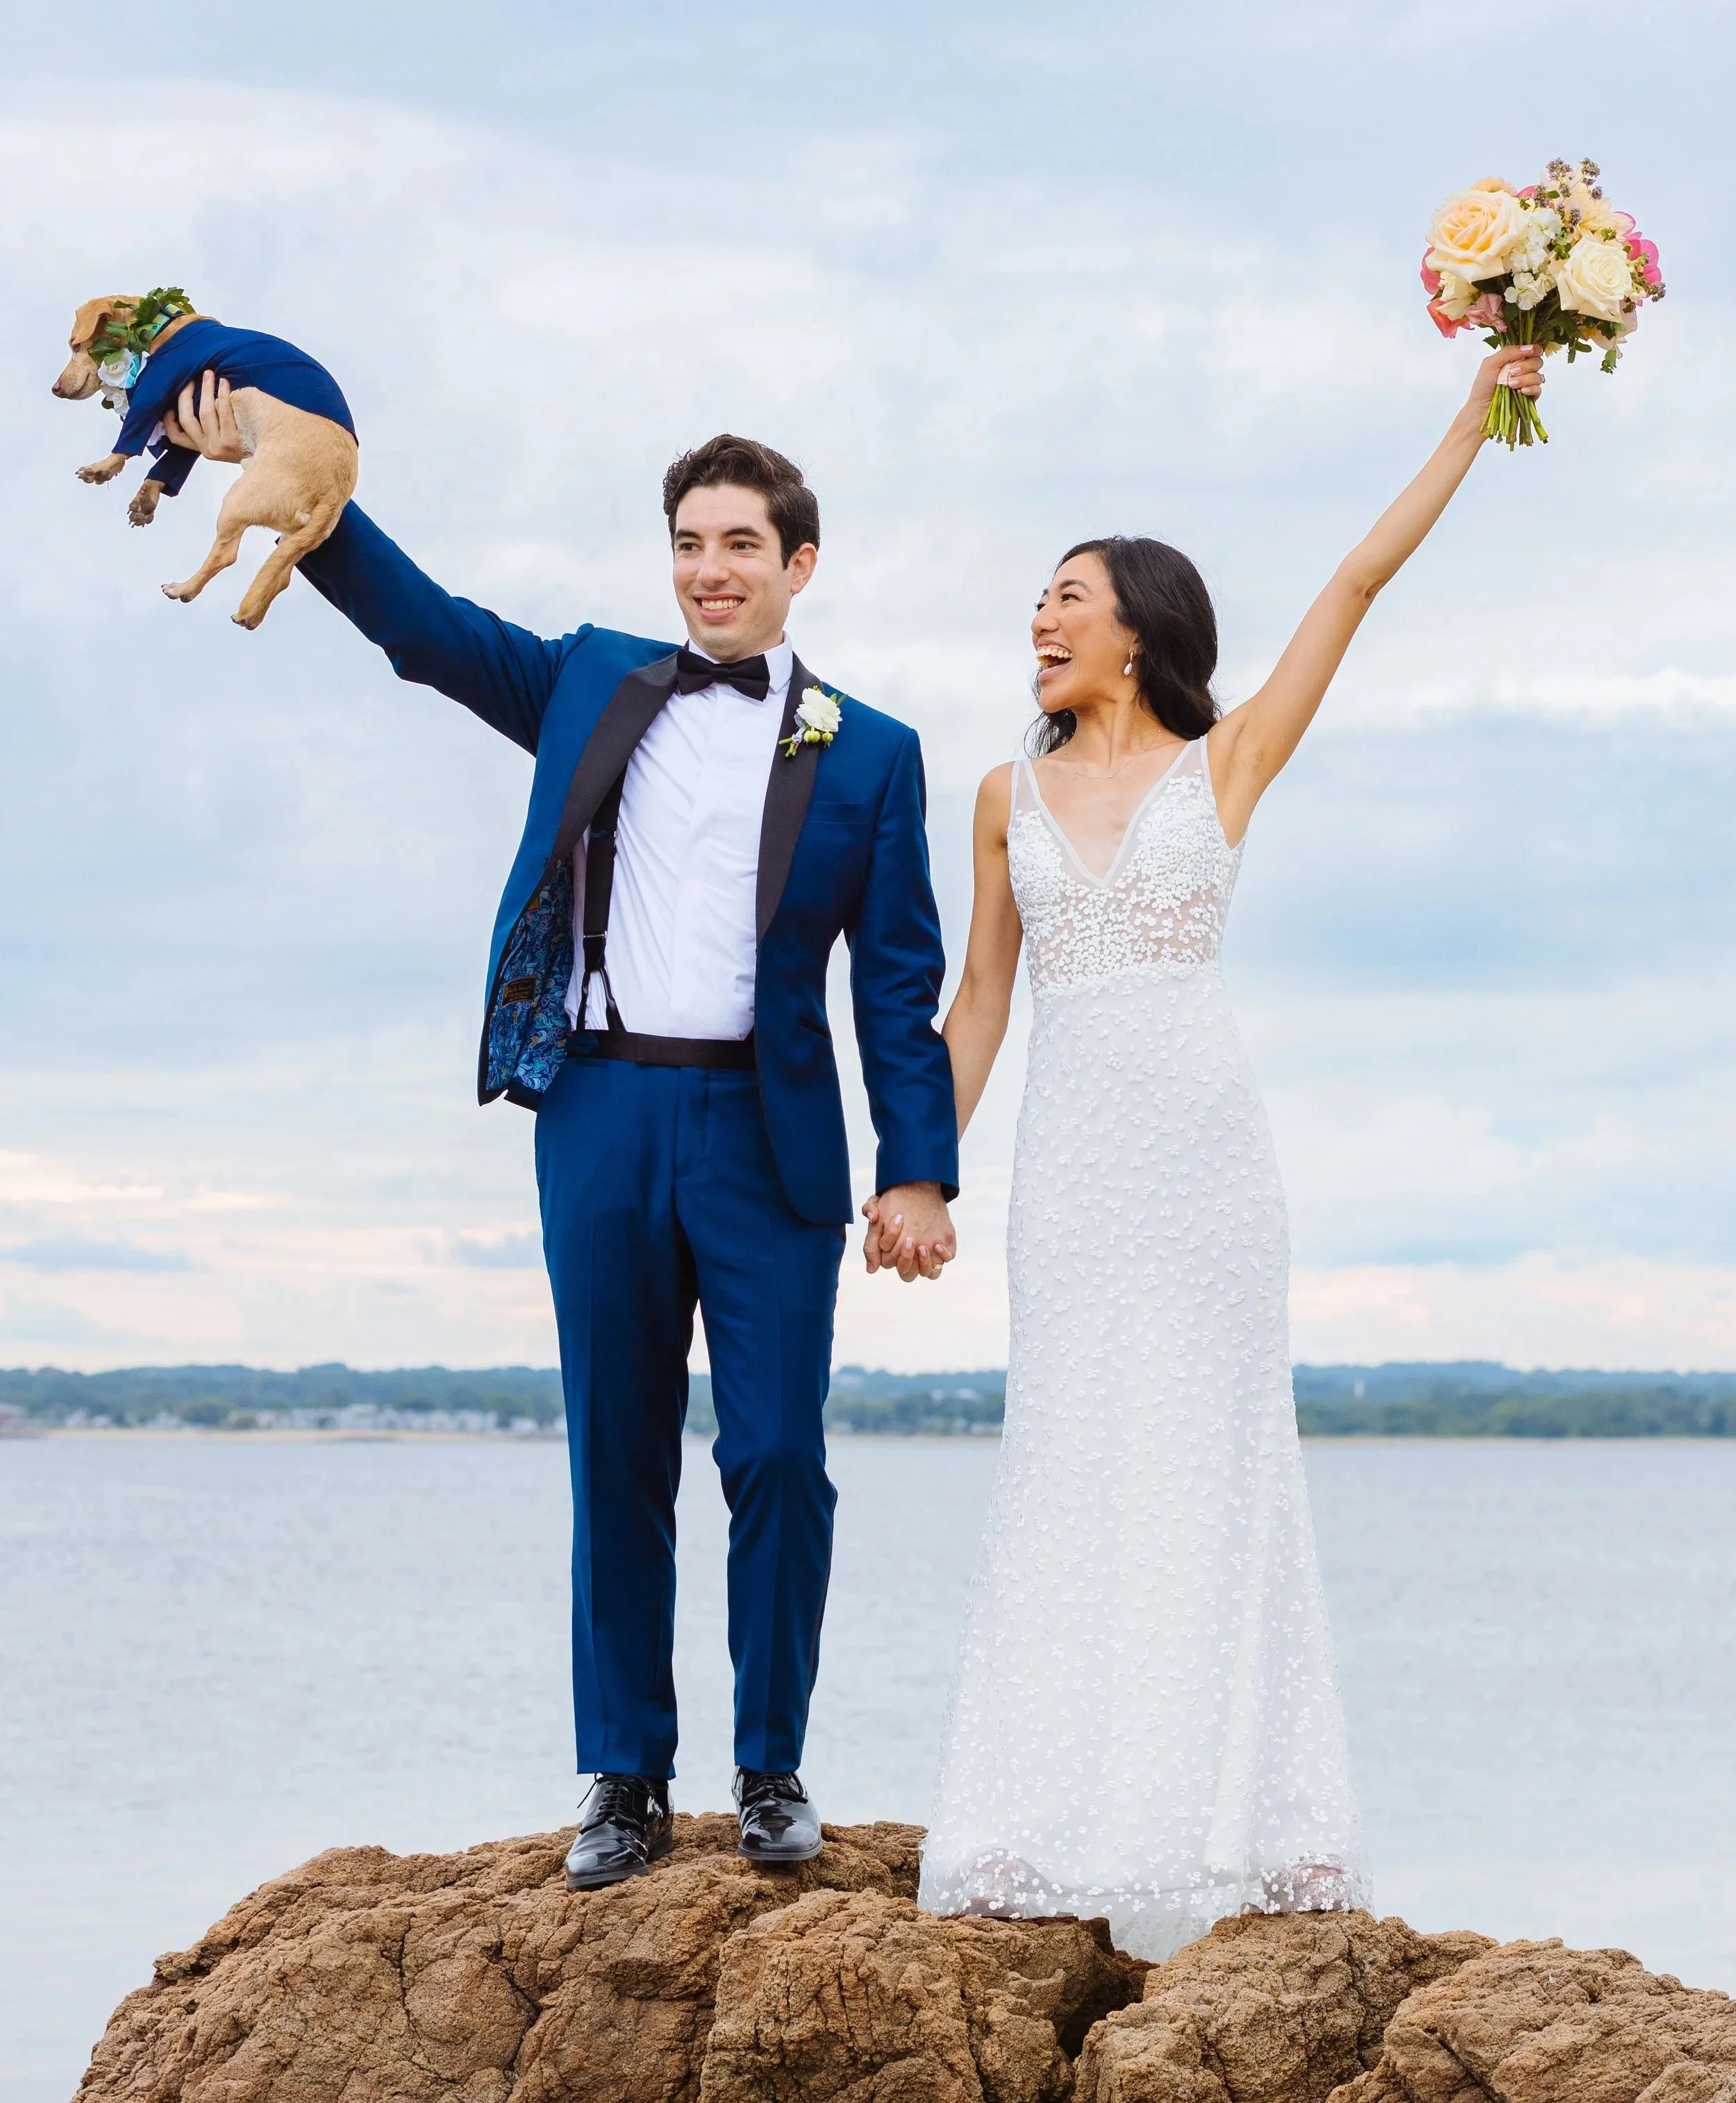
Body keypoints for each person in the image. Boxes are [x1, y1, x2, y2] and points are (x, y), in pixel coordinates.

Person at [162, 381, 960, 1886]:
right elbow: (431, 633)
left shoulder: (872, 753)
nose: (708, 568)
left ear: (800, 563)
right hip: (598, 1109)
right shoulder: (594, 681)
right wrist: (294, 486)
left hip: (769, 1131)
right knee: (616, 1454)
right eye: (685, 543)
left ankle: (773, 1767)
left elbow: (899, 978)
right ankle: (624, 1778)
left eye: (738, 543)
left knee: (779, 1456)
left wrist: (916, 1164)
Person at [910, 344, 1547, 1961]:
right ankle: (1049, 1819)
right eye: (1032, 604)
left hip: (1204, 1169)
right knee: (1070, 1459)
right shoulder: (1000, 793)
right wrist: (917, 1169)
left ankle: (1230, 1825)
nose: (1038, 622)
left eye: (1066, 597)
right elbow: (979, 997)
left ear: (1140, 626)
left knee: (1214, 1469)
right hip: (1071, 1170)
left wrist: (1476, 412)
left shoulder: (1228, 760)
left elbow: (1356, 575)